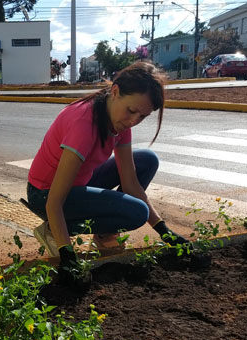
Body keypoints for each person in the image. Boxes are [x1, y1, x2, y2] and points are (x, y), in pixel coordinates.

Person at [26, 61, 188, 286]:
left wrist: (165, 231)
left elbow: (130, 183)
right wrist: (67, 255)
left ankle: (103, 233)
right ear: (115, 92)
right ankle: (54, 229)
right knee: (136, 213)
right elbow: (55, 200)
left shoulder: (119, 123)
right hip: (45, 195)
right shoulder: (83, 124)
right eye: (131, 111)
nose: (133, 121)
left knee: (147, 161)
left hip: (79, 183)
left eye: (142, 117)